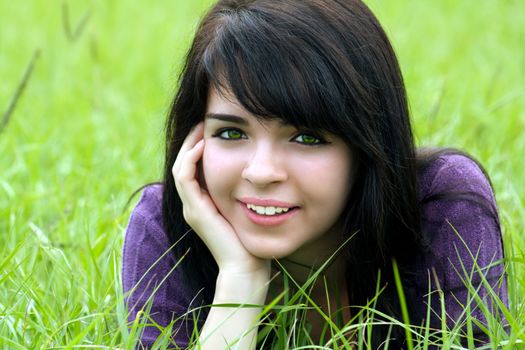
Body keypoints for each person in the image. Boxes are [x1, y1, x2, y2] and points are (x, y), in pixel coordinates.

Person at [122, 0, 508, 348]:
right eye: (232, 133)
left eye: (307, 137)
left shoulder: (442, 206)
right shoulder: (164, 231)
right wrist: (240, 282)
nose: (261, 172)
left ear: (366, 145)